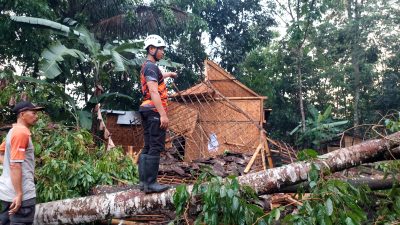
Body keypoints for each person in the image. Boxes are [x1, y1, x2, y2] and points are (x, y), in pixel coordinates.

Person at [138, 34, 177, 193]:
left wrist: (169, 75)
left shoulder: (147, 66)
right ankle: (151, 184)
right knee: (155, 147)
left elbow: (156, 81)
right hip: (154, 110)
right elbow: (153, 90)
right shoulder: (151, 67)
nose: (162, 52)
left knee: (148, 146)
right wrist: (163, 114)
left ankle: (144, 184)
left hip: (146, 108)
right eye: (160, 49)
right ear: (151, 49)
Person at [0, 101, 44, 225]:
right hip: (22, 194)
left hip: (6, 192)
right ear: (22, 114)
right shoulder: (21, 133)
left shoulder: (12, 132)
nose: (37, 116)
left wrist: (9, 165)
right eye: (33, 113)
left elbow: (2, 153)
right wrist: (19, 194)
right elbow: (15, 165)